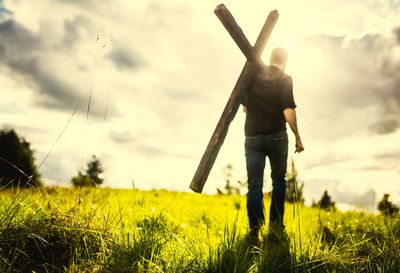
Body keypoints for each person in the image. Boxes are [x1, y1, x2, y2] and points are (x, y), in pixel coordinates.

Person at [242, 47, 304, 237]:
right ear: (284, 61)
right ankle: (275, 225)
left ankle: (255, 228)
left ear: (270, 59)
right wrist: (297, 137)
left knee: (254, 185)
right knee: (278, 180)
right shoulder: (285, 79)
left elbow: (244, 108)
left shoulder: (253, 75)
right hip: (276, 136)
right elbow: (288, 110)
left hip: (252, 136)